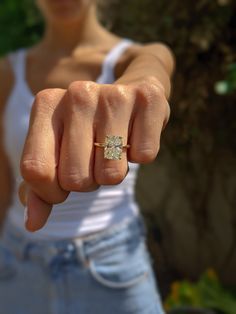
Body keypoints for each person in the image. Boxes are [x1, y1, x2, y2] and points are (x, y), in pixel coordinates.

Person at [0, 0, 174, 313]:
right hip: (16, 261)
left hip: (111, 261)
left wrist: (145, 82)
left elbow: (155, 62)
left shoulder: (129, 58)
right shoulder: (7, 71)